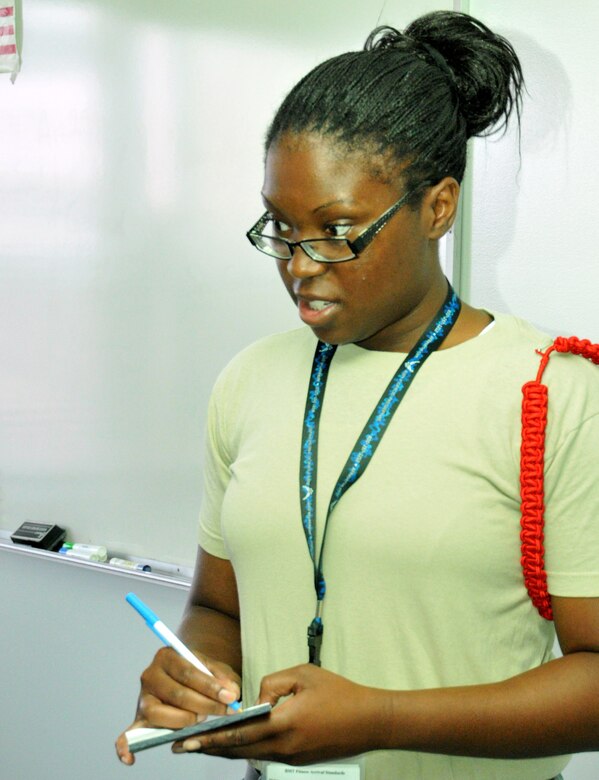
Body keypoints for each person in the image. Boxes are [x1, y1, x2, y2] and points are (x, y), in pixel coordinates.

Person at [116, 10, 599, 779]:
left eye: (337, 230)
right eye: (280, 228)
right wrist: (193, 670)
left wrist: (380, 719)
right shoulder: (250, 380)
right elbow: (218, 608)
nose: (300, 265)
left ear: (437, 207)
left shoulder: (552, 394)